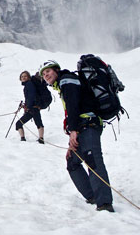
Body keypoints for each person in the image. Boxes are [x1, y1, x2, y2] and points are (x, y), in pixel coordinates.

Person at [39, 60, 114, 212]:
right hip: (82, 126)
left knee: (93, 161)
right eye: (43, 74)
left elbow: (73, 105)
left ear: (56, 70)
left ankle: (105, 204)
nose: (46, 75)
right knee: (72, 161)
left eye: (48, 71)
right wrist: (72, 134)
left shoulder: (67, 79)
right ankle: (93, 196)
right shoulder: (63, 83)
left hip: (88, 124)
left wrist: (73, 130)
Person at [15, 71, 44, 144]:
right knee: (38, 122)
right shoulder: (29, 84)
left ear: (28, 77)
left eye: (25, 76)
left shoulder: (29, 85)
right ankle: (41, 139)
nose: (23, 78)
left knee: (19, 123)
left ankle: (23, 139)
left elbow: (31, 97)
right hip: (35, 107)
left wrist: (28, 106)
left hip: (32, 108)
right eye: (22, 76)